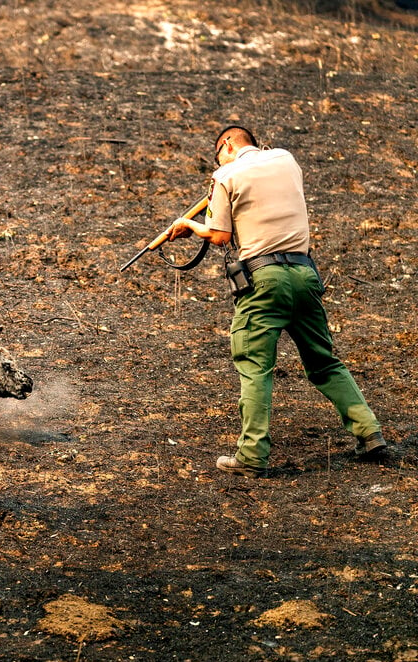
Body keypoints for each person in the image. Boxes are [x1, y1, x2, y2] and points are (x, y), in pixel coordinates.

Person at [164, 125, 386, 478]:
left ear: (226, 146)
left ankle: (252, 455)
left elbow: (220, 236)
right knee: (324, 362)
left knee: (254, 367)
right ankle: (369, 432)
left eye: (217, 154)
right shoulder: (287, 159)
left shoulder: (226, 174)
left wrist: (188, 225)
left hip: (264, 281)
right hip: (304, 274)